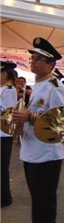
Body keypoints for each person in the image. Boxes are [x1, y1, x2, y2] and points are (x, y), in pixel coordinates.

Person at [12, 37, 64, 223]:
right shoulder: (39, 84)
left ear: (51, 64)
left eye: (38, 59)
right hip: (31, 150)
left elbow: (62, 122)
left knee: (44, 204)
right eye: (32, 59)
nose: (33, 62)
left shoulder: (56, 88)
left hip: (46, 153)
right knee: (37, 201)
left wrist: (30, 116)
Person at [1, 61, 18, 207]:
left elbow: (7, 112)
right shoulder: (3, 89)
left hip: (3, 133)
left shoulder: (9, 90)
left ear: (5, 74)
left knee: (2, 167)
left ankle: (5, 197)